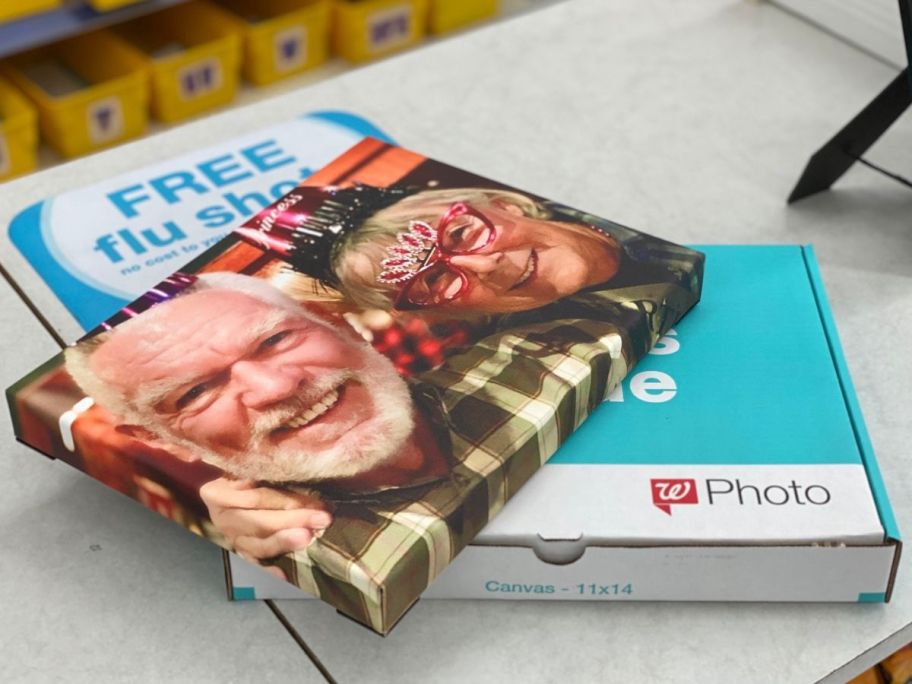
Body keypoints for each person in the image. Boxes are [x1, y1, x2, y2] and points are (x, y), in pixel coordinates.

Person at [64, 271, 636, 631]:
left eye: (275, 339)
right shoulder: (296, 558)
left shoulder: (545, 354)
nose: (278, 388)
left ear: (342, 326)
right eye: (194, 392)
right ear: (161, 441)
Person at [234, 183, 704, 355]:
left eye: (463, 234)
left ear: (500, 203)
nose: (488, 265)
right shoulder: (534, 353)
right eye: (435, 279)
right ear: (438, 315)